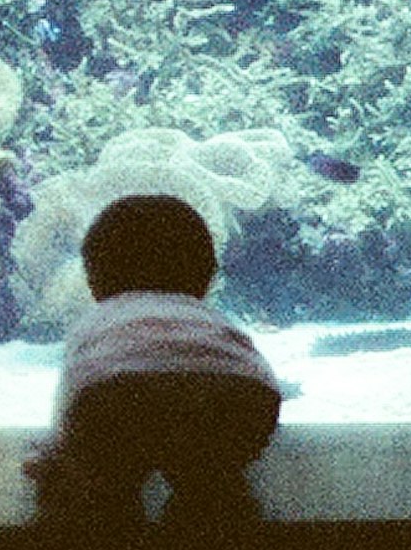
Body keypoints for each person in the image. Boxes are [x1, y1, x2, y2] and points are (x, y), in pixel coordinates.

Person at [22, 192, 289, 530]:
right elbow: (245, 359)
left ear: (93, 281)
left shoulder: (100, 320)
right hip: (238, 388)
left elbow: (75, 389)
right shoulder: (208, 317)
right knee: (213, 488)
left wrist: (55, 454)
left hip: (115, 390)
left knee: (103, 492)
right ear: (207, 279)